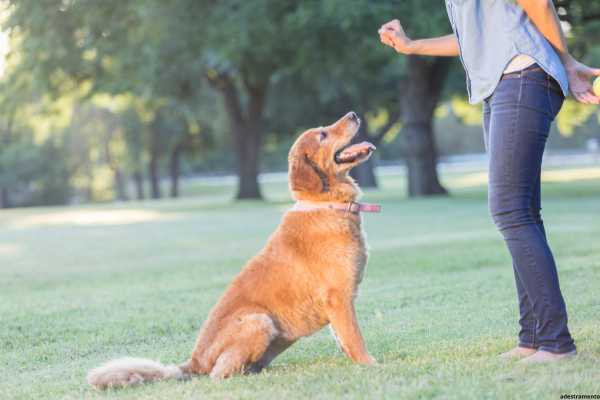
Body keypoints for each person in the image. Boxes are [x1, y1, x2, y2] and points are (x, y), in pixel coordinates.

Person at [379, 0, 600, 363]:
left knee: (510, 211)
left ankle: (556, 343)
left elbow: (538, 2)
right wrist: (413, 45)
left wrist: (567, 60)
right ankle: (532, 337)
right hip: (501, 84)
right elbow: (474, 36)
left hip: (524, 74)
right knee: (523, 212)